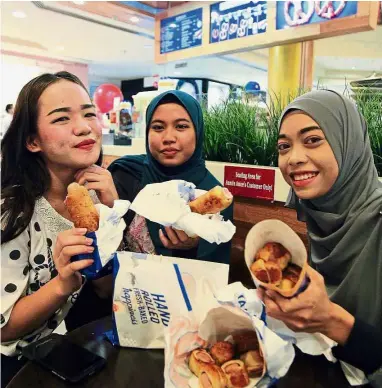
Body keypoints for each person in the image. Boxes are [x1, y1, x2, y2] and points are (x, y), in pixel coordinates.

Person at [1, 71, 118, 386]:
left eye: (89, 113)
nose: (84, 127)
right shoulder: (12, 210)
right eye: (62, 118)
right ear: (32, 140)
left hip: (71, 349)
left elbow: (105, 289)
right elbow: (4, 328)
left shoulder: (95, 197)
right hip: (15, 362)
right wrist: (62, 283)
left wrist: (113, 215)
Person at [259, 90, 382, 383]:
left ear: (347, 144)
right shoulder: (321, 219)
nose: (294, 158)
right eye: (284, 146)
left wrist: (332, 321)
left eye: (313, 140)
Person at [109, 90, 233, 264]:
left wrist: (191, 248)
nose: (168, 138)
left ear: (197, 131)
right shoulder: (126, 174)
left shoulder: (213, 196)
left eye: (181, 126)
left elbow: (213, 270)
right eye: (158, 127)